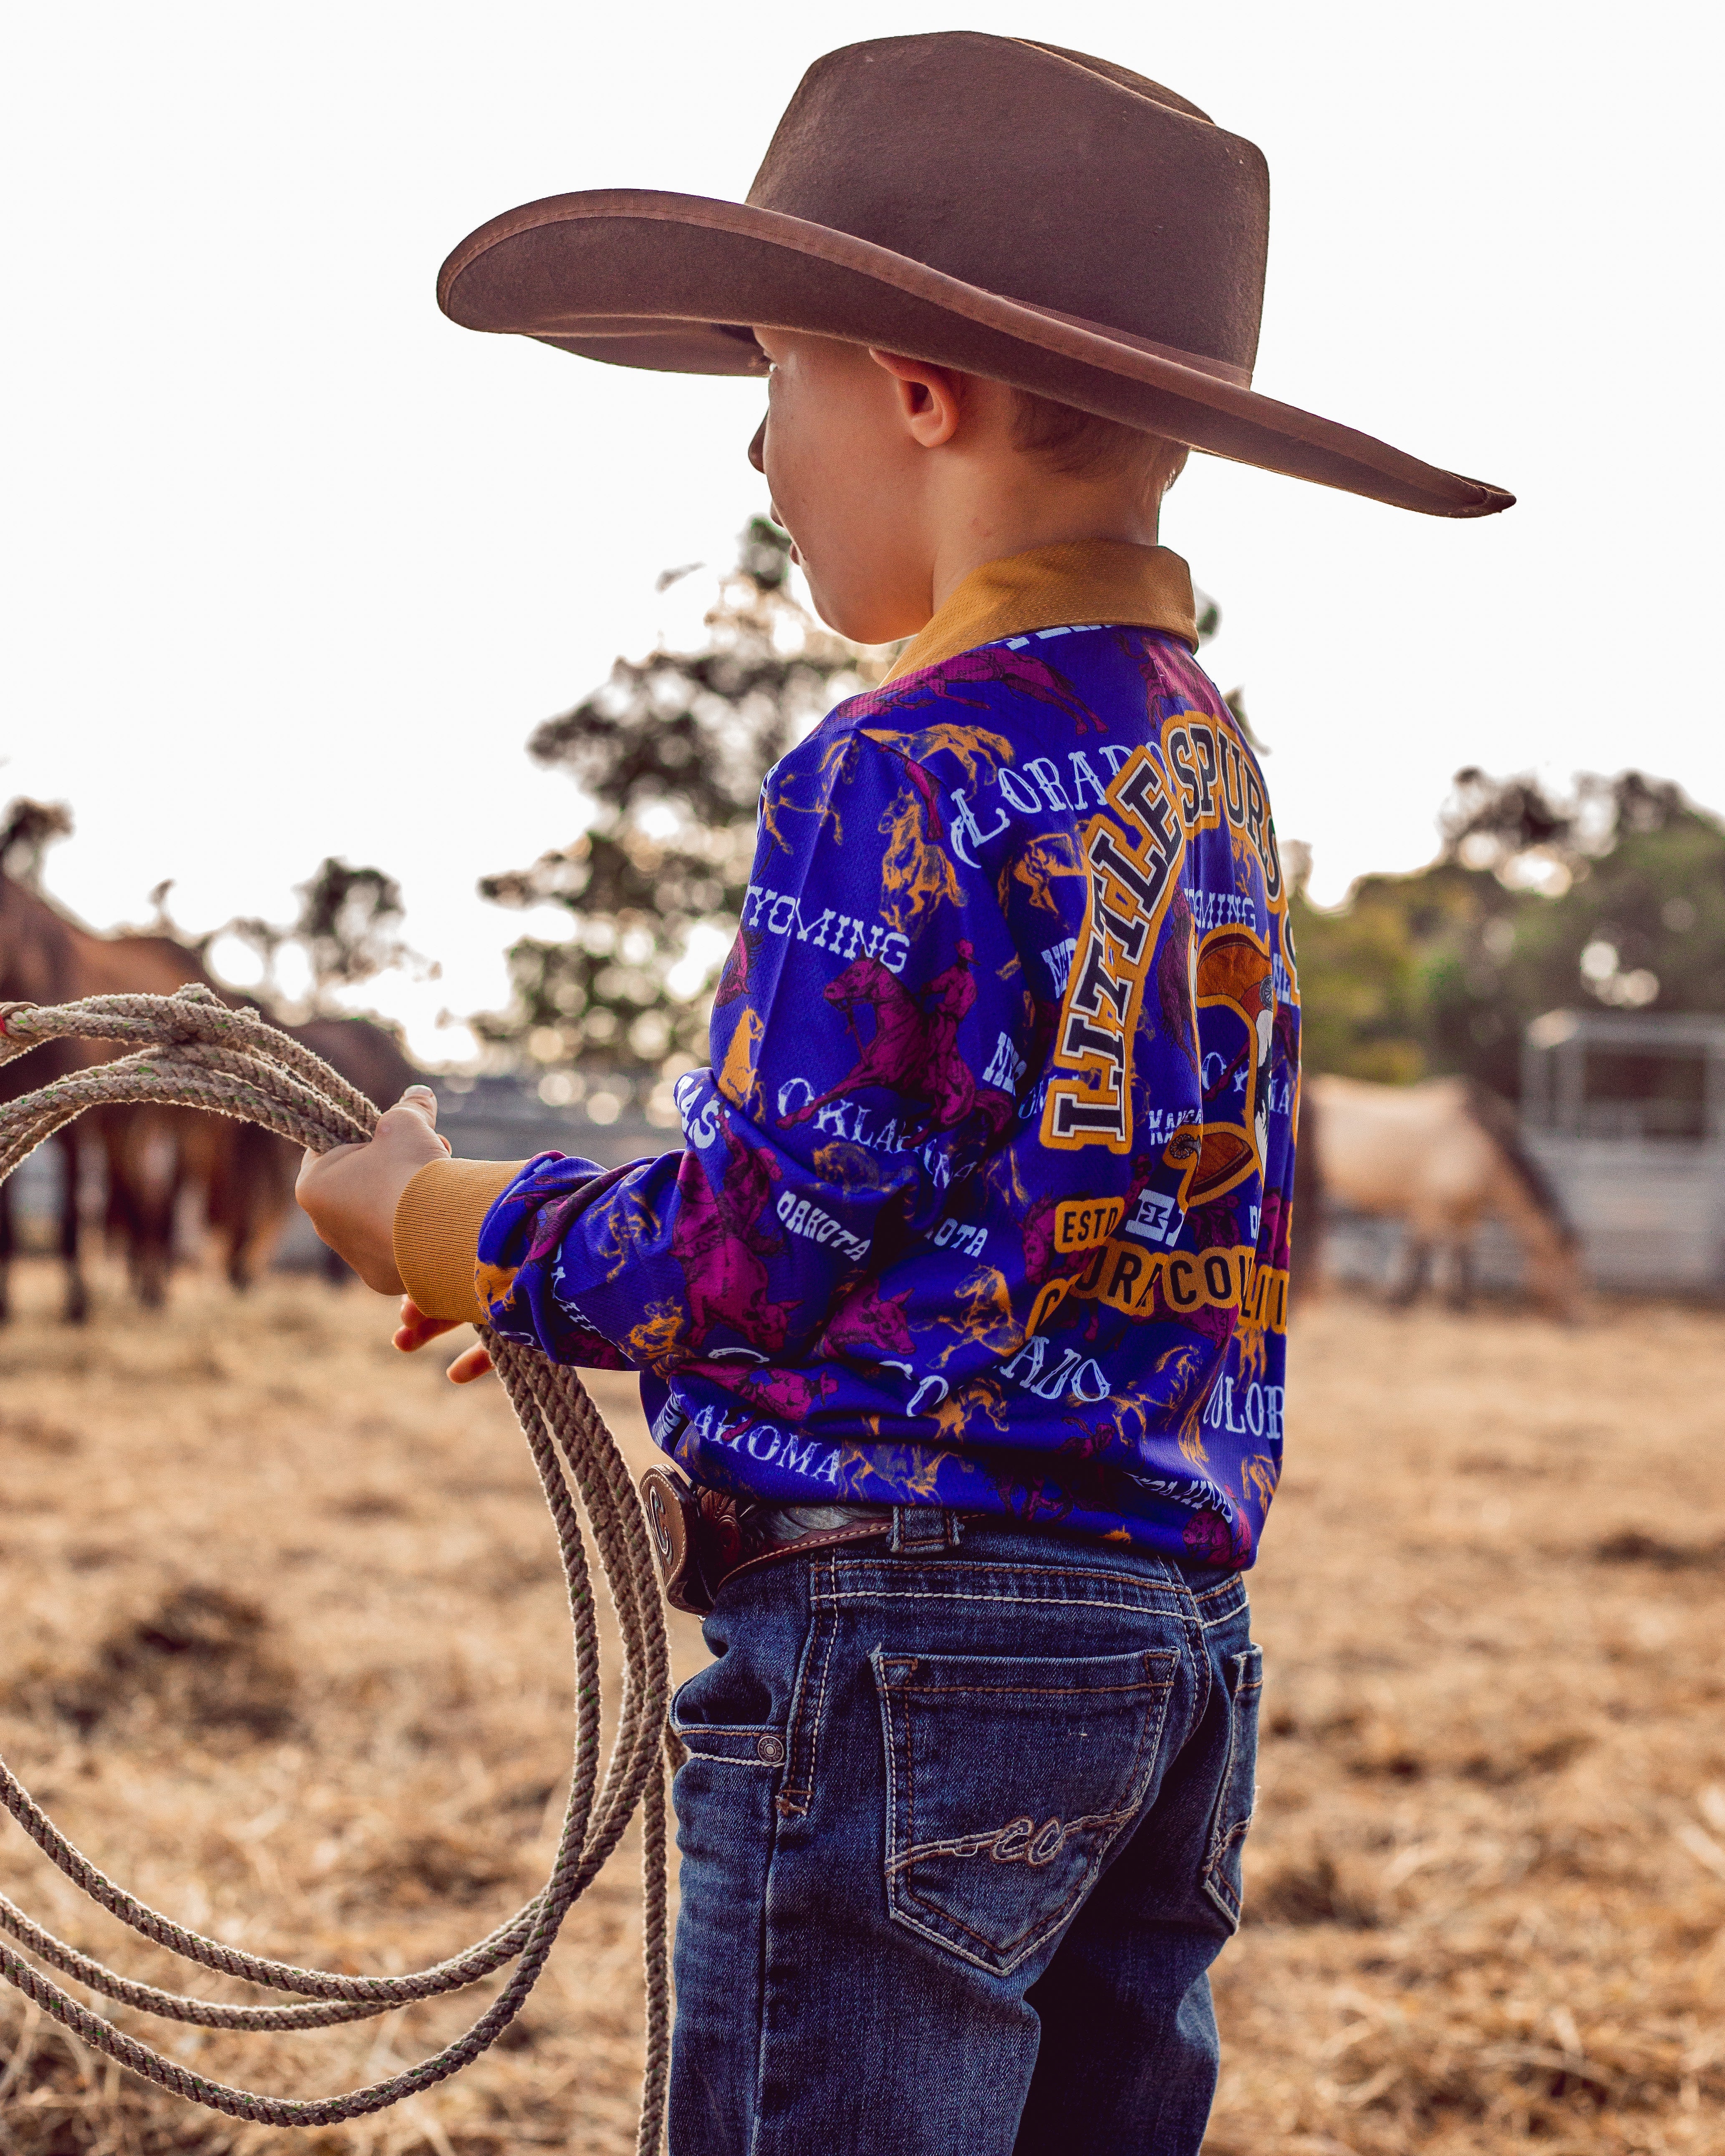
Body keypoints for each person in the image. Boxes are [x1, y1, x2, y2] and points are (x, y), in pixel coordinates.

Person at [298, 33, 1510, 2154]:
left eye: (773, 379)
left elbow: (757, 1240)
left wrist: (435, 1215)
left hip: (897, 1641)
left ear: (910, 389)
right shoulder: (1202, 761)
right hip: (1167, 1646)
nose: (759, 454)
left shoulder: (890, 765)